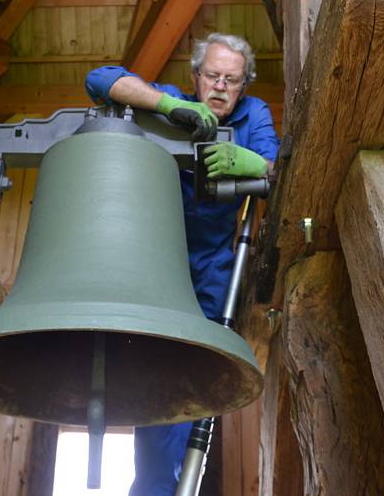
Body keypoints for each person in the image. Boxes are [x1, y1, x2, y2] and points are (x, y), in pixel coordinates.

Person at [84, 32, 279, 496]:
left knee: (194, 377)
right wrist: (169, 110)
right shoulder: (172, 101)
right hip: (155, 260)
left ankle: (167, 485)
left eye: (232, 80)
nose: (219, 86)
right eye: (212, 75)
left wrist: (252, 163)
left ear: (244, 86)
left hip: (213, 267)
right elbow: (100, 79)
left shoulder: (255, 116)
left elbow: (276, 167)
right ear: (195, 77)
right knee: (155, 377)